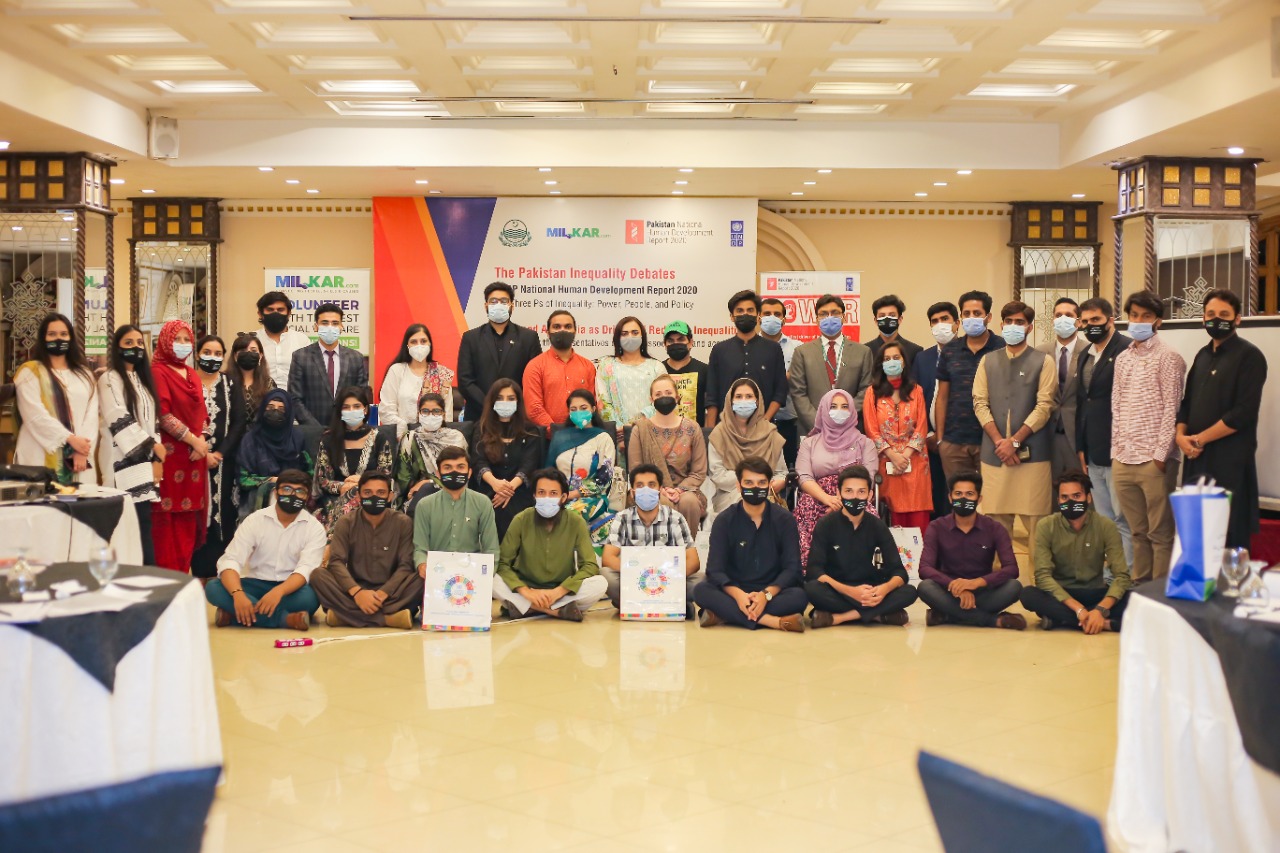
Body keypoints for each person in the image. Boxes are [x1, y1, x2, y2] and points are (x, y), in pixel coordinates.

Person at [1176, 288, 1268, 548]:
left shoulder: (1250, 356)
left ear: (1237, 318)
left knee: (1228, 536)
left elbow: (1243, 412)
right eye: (1211, 314)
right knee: (1196, 537)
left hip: (1230, 463)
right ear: (1203, 318)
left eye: (1224, 315)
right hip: (1196, 460)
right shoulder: (1202, 355)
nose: (1216, 319)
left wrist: (1200, 439)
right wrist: (1180, 436)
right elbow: (1187, 403)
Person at [972, 301, 1056, 584]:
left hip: (1034, 456)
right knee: (996, 526)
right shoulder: (988, 361)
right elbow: (979, 403)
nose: (1013, 326)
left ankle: (1038, 587)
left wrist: (1015, 442)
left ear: (1029, 327)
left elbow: (1044, 406)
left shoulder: (1044, 361)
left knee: (1037, 529)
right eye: (1008, 321)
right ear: (1000, 325)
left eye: (1019, 322)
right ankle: (999, 587)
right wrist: (1000, 442)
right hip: (995, 455)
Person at [1112, 290, 1185, 583]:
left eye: (1146, 316)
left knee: (1160, 533)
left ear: (1158, 321)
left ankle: (1158, 592)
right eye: (1134, 315)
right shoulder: (1123, 358)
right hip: (1123, 457)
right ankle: (1139, 587)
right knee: (1137, 531)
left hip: (1154, 460)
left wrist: (1160, 455)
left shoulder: (1169, 357)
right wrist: (1116, 450)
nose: (1138, 321)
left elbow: (1172, 409)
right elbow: (1116, 406)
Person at [694, 456, 807, 632]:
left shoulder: (785, 519)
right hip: (735, 589)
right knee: (701, 590)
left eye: (761, 483)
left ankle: (725, 615)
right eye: (749, 482)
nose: (755, 488)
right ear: (739, 486)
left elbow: (792, 569)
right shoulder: (724, 520)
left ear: (769, 485)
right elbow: (715, 570)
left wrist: (765, 595)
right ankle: (773, 621)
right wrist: (738, 595)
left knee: (800, 596)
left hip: (772, 591)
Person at [206, 469, 324, 631]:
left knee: (310, 599)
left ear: (307, 497)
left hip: (290, 589)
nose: (293, 495)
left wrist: (279, 591)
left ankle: (234, 616)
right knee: (213, 588)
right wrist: (238, 594)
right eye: (287, 489)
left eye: (300, 492)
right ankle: (285, 620)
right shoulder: (255, 520)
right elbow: (231, 560)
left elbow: (306, 569)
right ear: (276, 492)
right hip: (254, 584)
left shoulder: (314, 527)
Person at [805, 465, 918, 627]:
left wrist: (884, 590)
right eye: (849, 491)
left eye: (861, 492)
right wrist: (851, 592)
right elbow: (814, 571)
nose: (855, 497)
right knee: (811, 589)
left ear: (870, 495)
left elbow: (899, 572)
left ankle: (841, 617)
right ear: (839, 493)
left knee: (910, 592)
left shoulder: (877, 525)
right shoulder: (826, 524)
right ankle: (878, 615)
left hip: (869, 589)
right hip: (838, 589)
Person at [1021, 471, 1131, 632]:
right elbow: (1042, 576)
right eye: (1064, 497)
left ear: (1088, 498)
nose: (1071, 502)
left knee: (1135, 597)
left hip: (1095, 592)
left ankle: (1062, 620)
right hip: (1062, 595)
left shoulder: (1105, 525)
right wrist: (1078, 609)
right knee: (1028, 595)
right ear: (1058, 501)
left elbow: (1122, 575)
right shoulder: (1046, 526)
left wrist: (1100, 609)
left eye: (1077, 496)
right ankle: (1103, 623)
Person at [494, 468, 607, 621]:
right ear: (534, 496)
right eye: (541, 493)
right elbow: (502, 563)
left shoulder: (576, 522)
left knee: (600, 583)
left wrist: (559, 591)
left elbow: (590, 565)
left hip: (561, 591)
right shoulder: (521, 519)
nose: (546, 498)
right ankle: (557, 611)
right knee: (491, 578)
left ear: (563, 497)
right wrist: (525, 591)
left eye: (553, 493)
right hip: (526, 589)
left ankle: (527, 608)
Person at [311, 471, 420, 629]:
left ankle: (346, 616)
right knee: (318, 576)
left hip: (392, 592)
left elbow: (406, 565)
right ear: (359, 496)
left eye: (380, 493)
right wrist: (358, 593)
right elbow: (336, 562)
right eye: (368, 493)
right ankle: (388, 619)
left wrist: (382, 593)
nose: (374, 497)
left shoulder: (403, 523)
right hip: (354, 590)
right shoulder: (346, 522)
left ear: (390, 496)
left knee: (422, 577)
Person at [916, 472, 1025, 629]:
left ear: (979, 499)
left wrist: (976, 583)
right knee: (925, 587)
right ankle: (993, 620)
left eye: (969, 494)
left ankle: (947, 615)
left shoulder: (995, 528)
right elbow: (925, 568)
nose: (963, 499)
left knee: (1014, 587)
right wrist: (955, 586)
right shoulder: (937, 527)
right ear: (950, 498)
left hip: (983, 591)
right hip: (949, 591)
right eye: (958, 494)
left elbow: (1012, 569)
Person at [97, 324, 164, 565]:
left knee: (143, 524)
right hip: (120, 461)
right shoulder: (109, 379)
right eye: (128, 343)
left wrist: (157, 458)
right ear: (117, 348)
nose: (135, 347)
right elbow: (117, 416)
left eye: (138, 343)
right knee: (123, 527)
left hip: (144, 463)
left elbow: (153, 423)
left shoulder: (143, 381)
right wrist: (152, 447)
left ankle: (147, 577)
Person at [1075, 298, 1133, 564]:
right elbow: (1082, 402)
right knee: (1105, 520)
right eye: (1086, 321)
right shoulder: (1085, 354)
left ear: (1111, 320)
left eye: (1096, 320)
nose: (1090, 326)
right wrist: (1080, 446)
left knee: (1123, 519)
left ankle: (1126, 575)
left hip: (1118, 449)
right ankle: (1110, 574)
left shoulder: (1127, 350)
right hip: (1092, 450)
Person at [601, 464, 702, 616]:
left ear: (660, 490)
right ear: (632, 492)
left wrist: (664, 577)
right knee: (606, 576)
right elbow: (608, 558)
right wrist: (640, 574)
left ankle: (636, 604)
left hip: (668, 581)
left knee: (701, 581)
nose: (646, 490)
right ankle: (671, 604)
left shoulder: (675, 518)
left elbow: (693, 561)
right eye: (640, 486)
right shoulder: (622, 518)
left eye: (651, 485)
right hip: (635, 580)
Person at [794, 388, 878, 564]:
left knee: (867, 513)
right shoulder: (809, 443)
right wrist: (828, 499)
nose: (839, 411)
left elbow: (868, 478)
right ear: (824, 409)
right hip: (817, 495)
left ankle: (859, 566)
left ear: (852, 410)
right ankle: (811, 566)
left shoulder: (865, 443)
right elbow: (804, 477)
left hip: (854, 494)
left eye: (844, 406)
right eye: (833, 406)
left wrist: (844, 501)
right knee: (806, 506)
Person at [152, 319, 209, 574]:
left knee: (188, 523)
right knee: (167, 524)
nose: (183, 344)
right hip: (170, 458)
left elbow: (202, 413)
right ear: (165, 341)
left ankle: (183, 576)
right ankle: (167, 580)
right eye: (177, 339)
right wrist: (193, 440)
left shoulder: (192, 374)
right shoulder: (157, 372)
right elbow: (163, 415)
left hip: (195, 460)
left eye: (187, 340)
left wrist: (203, 439)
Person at [14, 313, 98, 485]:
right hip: (39, 454)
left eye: (63, 334)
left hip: (79, 459)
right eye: (52, 334)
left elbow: (91, 416)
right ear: (43, 338)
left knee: (80, 499)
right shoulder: (29, 372)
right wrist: (70, 439)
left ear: (71, 338)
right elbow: (34, 415)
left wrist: (82, 450)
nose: (58, 339)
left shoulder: (85, 374)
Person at [191, 335, 248, 581]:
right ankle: (197, 576)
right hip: (191, 459)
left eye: (217, 353)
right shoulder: (187, 381)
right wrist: (201, 453)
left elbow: (239, 422)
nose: (212, 358)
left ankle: (220, 576)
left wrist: (219, 453)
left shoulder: (231, 383)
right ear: (197, 354)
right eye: (207, 352)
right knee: (196, 514)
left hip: (224, 462)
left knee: (223, 513)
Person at [627, 374, 708, 537]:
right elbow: (636, 470)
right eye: (658, 394)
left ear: (677, 397)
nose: (664, 397)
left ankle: (686, 549)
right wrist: (660, 489)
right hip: (650, 488)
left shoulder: (692, 428)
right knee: (661, 502)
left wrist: (679, 490)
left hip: (686, 489)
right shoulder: (640, 430)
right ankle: (659, 550)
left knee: (689, 502)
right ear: (651, 399)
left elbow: (698, 472)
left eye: (668, 393)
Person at [863, 340, 933, 530]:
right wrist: (893, 456)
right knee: (893, 518)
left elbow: (922, 427)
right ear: (880, 364)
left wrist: (906, 455)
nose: (892, 362)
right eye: (887, 359)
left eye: (896, 357)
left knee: (918, 517)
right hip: (887, 461)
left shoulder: (917, 390)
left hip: (916, 461)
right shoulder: (872, 393)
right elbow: (871, 430)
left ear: (903, 362)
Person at [935, 290, 1005, 477]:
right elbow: (942, 397)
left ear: (988, 317)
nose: (971, 318)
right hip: (954, 442)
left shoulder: (1002, 348)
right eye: (966, 314)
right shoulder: (950, 350)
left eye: (977, 313)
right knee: (958, 495)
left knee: (991, 495)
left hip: (992, 441)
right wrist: (941, 440)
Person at [456, 281, 543, 423]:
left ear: (512, 306)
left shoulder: (528, 338)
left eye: (503, 301)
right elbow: (465, 381)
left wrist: (512, 403)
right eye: (493, 301)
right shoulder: (470, 338)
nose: (498, 305)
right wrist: (489, 404)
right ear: (486, 306)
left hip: (517, 417)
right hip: (479, 417)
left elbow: (534, 380)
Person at [313, 386, 395, 534]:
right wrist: (342, 487)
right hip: (335, 497)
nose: (351, 411)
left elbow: (385, 475)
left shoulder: (379, 438)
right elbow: (323, 480)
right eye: (346, 407)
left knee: (358, 494)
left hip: (371, 497)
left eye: (356, 406)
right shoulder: (328, 439)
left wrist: (362, 482)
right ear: (340, 411)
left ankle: (334, 539)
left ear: (365, 410)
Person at [788, 293, 874, 434]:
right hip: (813, 430)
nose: (829, 317)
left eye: (835, 313)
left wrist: (844, 418)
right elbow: (798, 393)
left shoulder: (863, 352)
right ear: (817, 320)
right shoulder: (802, 352)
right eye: (823, 314)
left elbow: (866, 390)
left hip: (850, 429)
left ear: (844, 317)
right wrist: (819, 424)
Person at [705, 290, 788, 428]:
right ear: (732, 317)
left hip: (763, 427)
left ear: (758, 315)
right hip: (726, 428)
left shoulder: (773, 349)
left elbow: (780, 392)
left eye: (750, 310)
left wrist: (765, 421)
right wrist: (710, 430)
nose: (745, 314)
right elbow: (711, 395)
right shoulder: (719, 350)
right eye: (740, 311)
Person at [413, 446, 500, 576]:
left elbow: (491, 549)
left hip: (472, 572)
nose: (454, 472)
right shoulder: (424, 505)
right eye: (447, 467)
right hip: (436, 572)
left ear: (469, 473)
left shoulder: (483, 503)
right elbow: (420, 548)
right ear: (438, 473)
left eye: (460, 467)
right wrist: (422, 565)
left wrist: (485, 576)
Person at [546, 388, 617, 545]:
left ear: (593, 409)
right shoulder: (560, 437)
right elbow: (548, 473)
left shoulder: (602, 438)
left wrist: (571, 495)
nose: (578, 412)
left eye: (583, 408)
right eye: (573, 409)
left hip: (592, 498)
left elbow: (605, 477)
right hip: (558, 497)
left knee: (568, 515)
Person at [471, 378, 541, 537]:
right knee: (491, 510)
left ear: (518, 402)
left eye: (510, 399)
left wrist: (508, 489)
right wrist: (495, 483)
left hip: (519, 489)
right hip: (488, 487)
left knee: (513, 512)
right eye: (500, 398)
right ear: (492, 401)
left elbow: (529, 464)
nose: (505, 402)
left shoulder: (530, 430)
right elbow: (478, 461)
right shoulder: (481, 427)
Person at [707, 378, 787, 513]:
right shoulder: (719, 434)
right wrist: (752, 482)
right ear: (730, 401)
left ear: (757, 401)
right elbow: (717, 474)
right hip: (729, 494)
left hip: (766, 493)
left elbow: (781, 473)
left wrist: (768, 485)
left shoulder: (771, 434)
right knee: (743, 501)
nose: (743, 401)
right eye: (738, 397)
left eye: (749, 396)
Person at [912, 301, 959, 518]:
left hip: (960, 440)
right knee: (935, 497)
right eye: (935, 321)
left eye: (945, 319)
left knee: (957, 496)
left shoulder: (968, 354)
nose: (940, 325)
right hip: (929, 441)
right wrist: (929, 434)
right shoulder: (923, 358)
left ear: (957, 323)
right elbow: (916, 400)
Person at [288, 302, 369, 426]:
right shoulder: (300, 357)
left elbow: (361, 395)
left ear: (341, 327)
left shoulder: (355, 358)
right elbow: (295, 398)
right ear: (316, 326)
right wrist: (315, 428)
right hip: (312, 429)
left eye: (335, 323)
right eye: (325, 323)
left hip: (346, 428)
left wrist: (348, 424)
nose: (330, 327)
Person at [1035, 297, 1088, 478]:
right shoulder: (1039, 352)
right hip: (1046, 432)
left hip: (1077, 434)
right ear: (1052, 320)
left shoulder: (1090, 351)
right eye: (1058, 315)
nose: (1062, 319)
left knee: (1079, 485)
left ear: (1078, 322)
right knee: (1048, 486)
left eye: (1068, 315)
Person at [237, 389, 310, 516]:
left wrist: (288, 483)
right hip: (257, 498)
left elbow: (309, 473)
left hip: (293, 495)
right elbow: (243, 479)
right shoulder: (250, 440)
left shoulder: (297, 439)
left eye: (281, 409)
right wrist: (271, 480)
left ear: (288, 413)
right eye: (270, 407)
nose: (275, 412)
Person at [396, 391, 468, 515]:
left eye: (436, 411)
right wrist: (413, 489)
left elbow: (460, 473)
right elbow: (403, 477)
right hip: (418, 494)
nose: (430, 415)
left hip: (453, 489)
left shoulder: (456, 438)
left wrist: (430, 482)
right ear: (419, 414)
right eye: (425, 411)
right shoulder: (410, 438)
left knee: (427, 489)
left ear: (444, 414)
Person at [523, 310, 595, 430]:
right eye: (557, 327)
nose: (562, 330)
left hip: (583, 434)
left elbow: (592, 404)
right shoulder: (535, 366)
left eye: (568, 326)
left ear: (575, 331)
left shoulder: (588, 366)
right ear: (548, 333)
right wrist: (556, 431)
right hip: (548, 437)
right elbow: (533, 408)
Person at [378, 323, 455, 437]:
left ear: (430, 344)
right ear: (407, 346)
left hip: (435, 439)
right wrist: (404, 431)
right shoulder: (397, 370)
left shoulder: (441, 374)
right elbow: (386, 410)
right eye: (413, 342)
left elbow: (447, 414)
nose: (419, 345)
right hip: (402, 436)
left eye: (423, 341)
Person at [595, 316, 664, 428]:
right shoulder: (606, 366)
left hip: (651, 430)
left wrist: (640, 424)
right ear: (617, 338)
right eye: (624, 334)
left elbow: (663, 399)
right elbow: (603, 401)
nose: (630, 337)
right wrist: (619, 428)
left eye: (635, 333)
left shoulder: (656, 367)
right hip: (617, 433)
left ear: (642, 336)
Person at [759, 297, 801, 466]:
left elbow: (800, 379)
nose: (772, 317)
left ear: (784, 319)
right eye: (767, 314)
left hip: (789, 421)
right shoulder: (749, 348)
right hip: (756, 422)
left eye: (777, 314)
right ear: (758, 318)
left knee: (790, 468)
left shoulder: (798, 348)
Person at [254, 291, 312, 392]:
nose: (275, 313)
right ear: (260, 314)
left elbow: (309, 374)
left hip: (294, 397)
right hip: (259, 397)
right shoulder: (252, 340)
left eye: (280, 310)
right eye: (270, 310)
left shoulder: (302, 340)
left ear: (289, 313)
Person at [659, 321, 709, 426]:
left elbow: (711, 405)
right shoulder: (658, 370)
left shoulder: (704, 370)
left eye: (681, 339)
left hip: (696, 433)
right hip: (663, 432)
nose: (675, 344)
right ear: (665, 345)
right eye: (670, 341)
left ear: (690, 342)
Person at [227, 333, 274, 428]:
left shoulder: (268, 383)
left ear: (260, 356)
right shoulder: (225, 381)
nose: (248, 353)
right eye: (243, 350)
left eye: (253, 350)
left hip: (259, 435)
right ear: (235, 356)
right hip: (230, 435)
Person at [866, 294, 924, 369]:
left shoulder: (915, 351)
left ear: (900, 319)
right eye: (882, 316)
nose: (887, 319)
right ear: (876, 321)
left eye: (892, 315)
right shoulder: (866, 351)